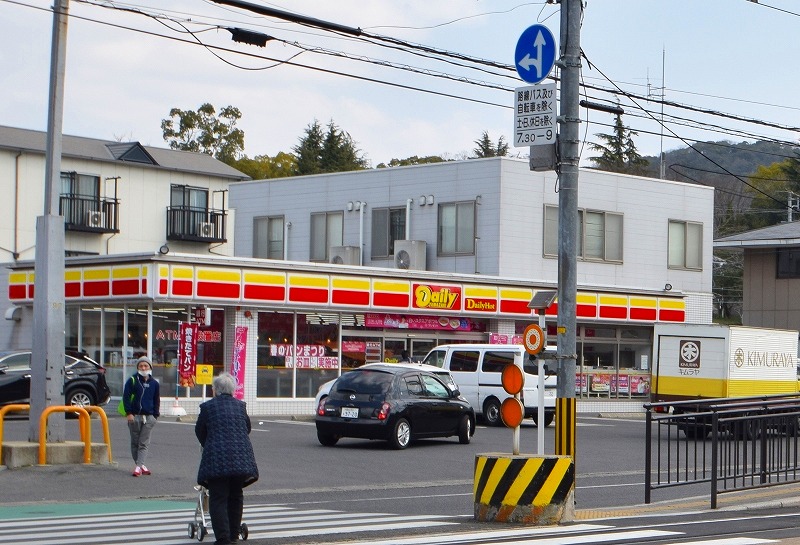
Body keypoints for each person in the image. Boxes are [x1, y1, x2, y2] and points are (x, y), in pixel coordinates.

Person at [196, 372, 259, 545]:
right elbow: (247, 428)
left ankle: (223, 538)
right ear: (233, 390)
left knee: (218, 497)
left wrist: (209, 443)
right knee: (236, 495)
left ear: (215, 389)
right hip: (241, 457)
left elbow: (200, 431)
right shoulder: (240, 406)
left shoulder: (208, 407)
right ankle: (233, 535)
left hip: (217, 459)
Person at [122, 355, 161, 477]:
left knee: (143, 442)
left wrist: (155, 415)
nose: (143, 368)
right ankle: (140, 464)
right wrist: (129, 413)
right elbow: (126, 398)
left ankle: (138, 467)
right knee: (135, 442)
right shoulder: (132, 381)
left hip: (149, 417)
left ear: (150, 367)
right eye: (141, 366)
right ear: (137, 367)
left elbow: (156, 400)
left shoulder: (154, 383)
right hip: (135, 416)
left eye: (146, 365)